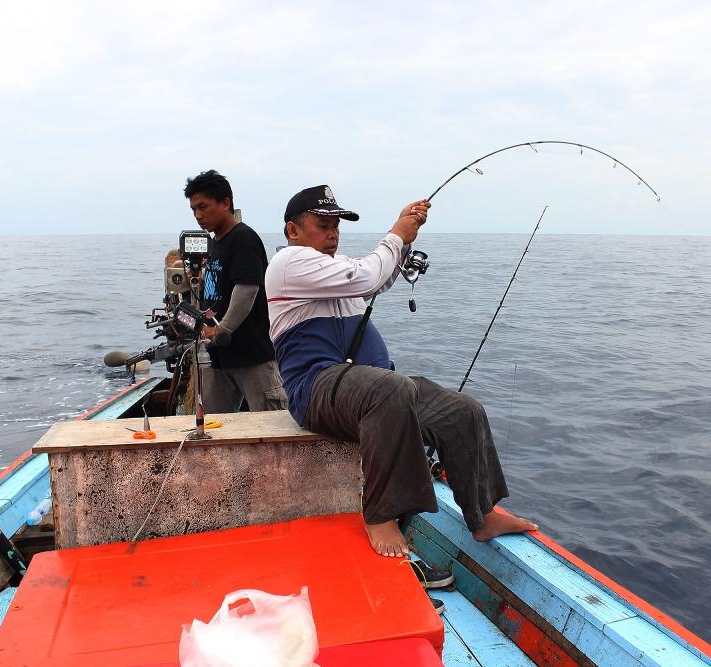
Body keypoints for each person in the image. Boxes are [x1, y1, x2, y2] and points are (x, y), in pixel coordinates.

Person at [265, 185, 536, 557]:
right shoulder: (288, 264)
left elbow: (380, 278)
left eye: (336, 227)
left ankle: (483, 515)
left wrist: (406, 239)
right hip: (315, 391)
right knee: (391, 388)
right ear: (293, 231)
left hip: (364, 390)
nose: (332, 233)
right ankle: (381, 515)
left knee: (461, 410)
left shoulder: (330, 270)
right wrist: (396, 233)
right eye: (322, 224)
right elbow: (367, 277)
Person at [183, 170, 287, 413]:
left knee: (271, 424)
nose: (198, 216)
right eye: (193, 210)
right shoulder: (218, 242)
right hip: (220, 356)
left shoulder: (243, 238)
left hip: (252, 356)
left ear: (226, 202)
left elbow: (246, 290)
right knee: (212, 426)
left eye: (203, 207)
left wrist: (222, 329)